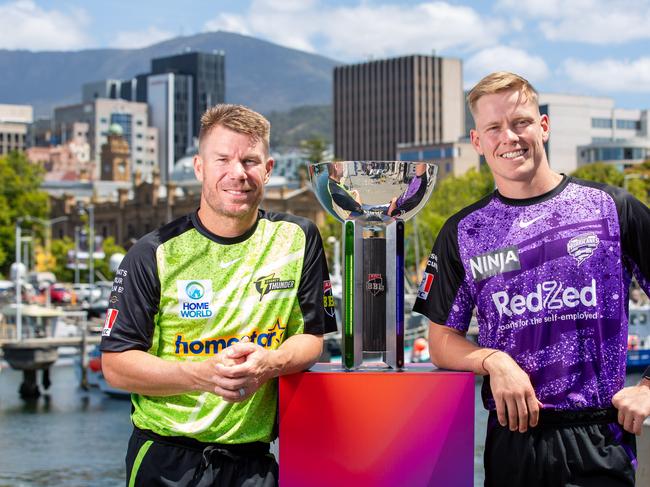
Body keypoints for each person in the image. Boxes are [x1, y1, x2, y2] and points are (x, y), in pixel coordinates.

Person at [413, 71, 650, 486]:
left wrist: (647, 387)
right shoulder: (462, 232)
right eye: (494, 127)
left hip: (600, 439)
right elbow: (440, 342)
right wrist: (493, 360)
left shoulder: (612, 208)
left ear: (543, 125)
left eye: (521, 121)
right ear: (478, 141)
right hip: (513, 444)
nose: (510, 137)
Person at [100, 103, 337, 486]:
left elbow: (312, 337)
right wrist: (202, 375)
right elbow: (116, 364)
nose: (237, 174)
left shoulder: (297, 239)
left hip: (254, 463)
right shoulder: (152, 252)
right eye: (222, 159)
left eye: (250, 160)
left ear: (268, 169)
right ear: (200, 168)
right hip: (166, 461)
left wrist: (269, 363)